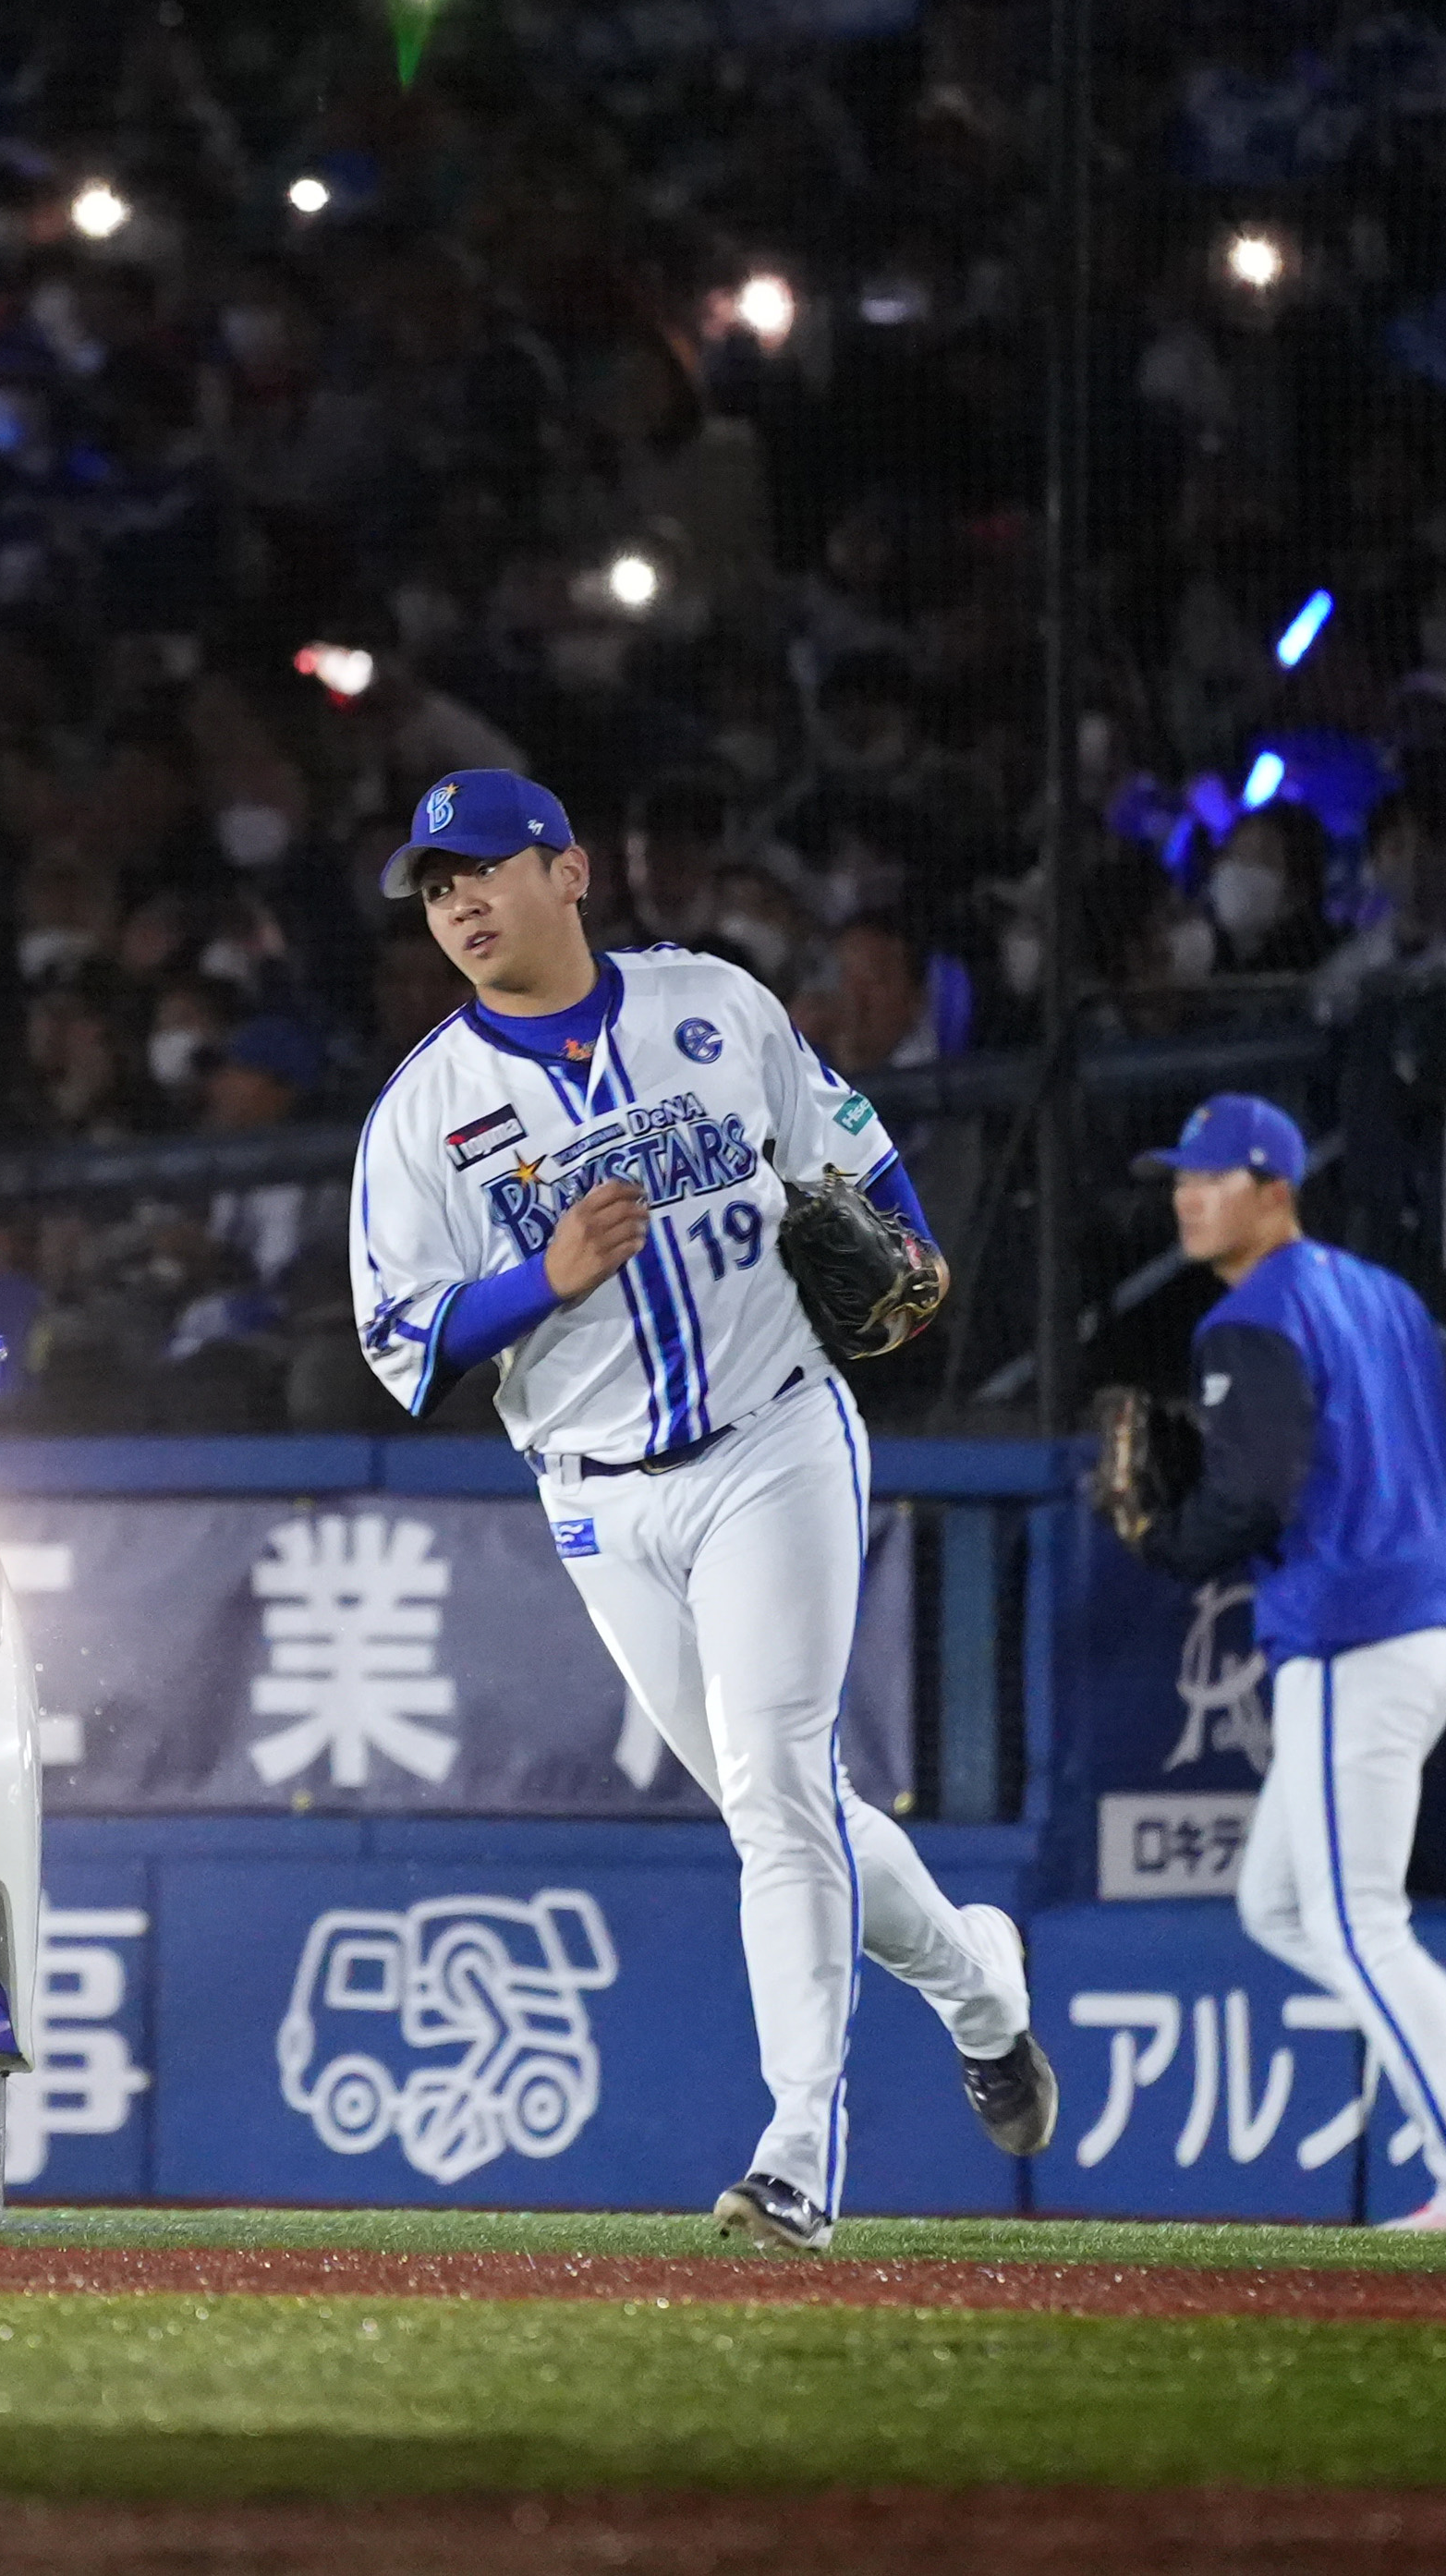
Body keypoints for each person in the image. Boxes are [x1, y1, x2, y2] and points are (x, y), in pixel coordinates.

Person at [346, 768, 1051, 2256]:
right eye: (434, 884)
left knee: (779, 1782)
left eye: (483, 867)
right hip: (598, 1496)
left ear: (571, 868)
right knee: (781, 1803)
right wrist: (537, 1280)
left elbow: (846, 1152)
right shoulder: (426, 1111)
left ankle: (796, 2154)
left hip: (773, 1441)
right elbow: (396, 1342)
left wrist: (911, 1257)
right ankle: (980, 1987)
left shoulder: (711, 1008)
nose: (460, 901)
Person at [1122, 1092, 1446, 2230]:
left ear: (1275, 1190)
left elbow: (1252, 1493)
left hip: (1351, 1638)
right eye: (1180, 1176)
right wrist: (1404, 1515)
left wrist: (1169, 1543)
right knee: (1277, 1901)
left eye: (1211, 1177)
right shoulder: (1388, 1296)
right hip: (1421, 1628)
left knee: (1358, 1922)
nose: (1187, 1196)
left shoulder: (1251, 1317)